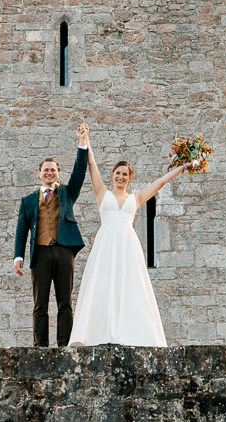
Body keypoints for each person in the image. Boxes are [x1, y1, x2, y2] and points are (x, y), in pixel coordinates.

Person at [67, 138, 193, 347]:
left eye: (125, 174)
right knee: (101, 285)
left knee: (129, 286)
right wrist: (86, 139)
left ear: (130, 178)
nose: (120, 177)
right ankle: (94, 333)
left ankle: (131, 333)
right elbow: (92, 165)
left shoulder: (136, 197)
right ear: (113, 175)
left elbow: (161, 182)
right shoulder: (102, 193)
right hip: (106, 243)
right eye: (118, 173)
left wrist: (183, 166)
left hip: (127, 246)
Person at [13, 124, 91, 346]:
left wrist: (82, 142)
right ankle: (40, 346)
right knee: (40, 303)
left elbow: (79, 171)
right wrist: (18, 257)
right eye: (46, 170)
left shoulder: (67, 193)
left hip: (65, 250)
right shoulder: (28, 201)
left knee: (65, 302)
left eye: (53, 170)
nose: (49, 172)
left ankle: (65, 344)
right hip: (40, 253)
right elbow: (21, 231)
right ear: (40, 173)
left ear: (58, 173)